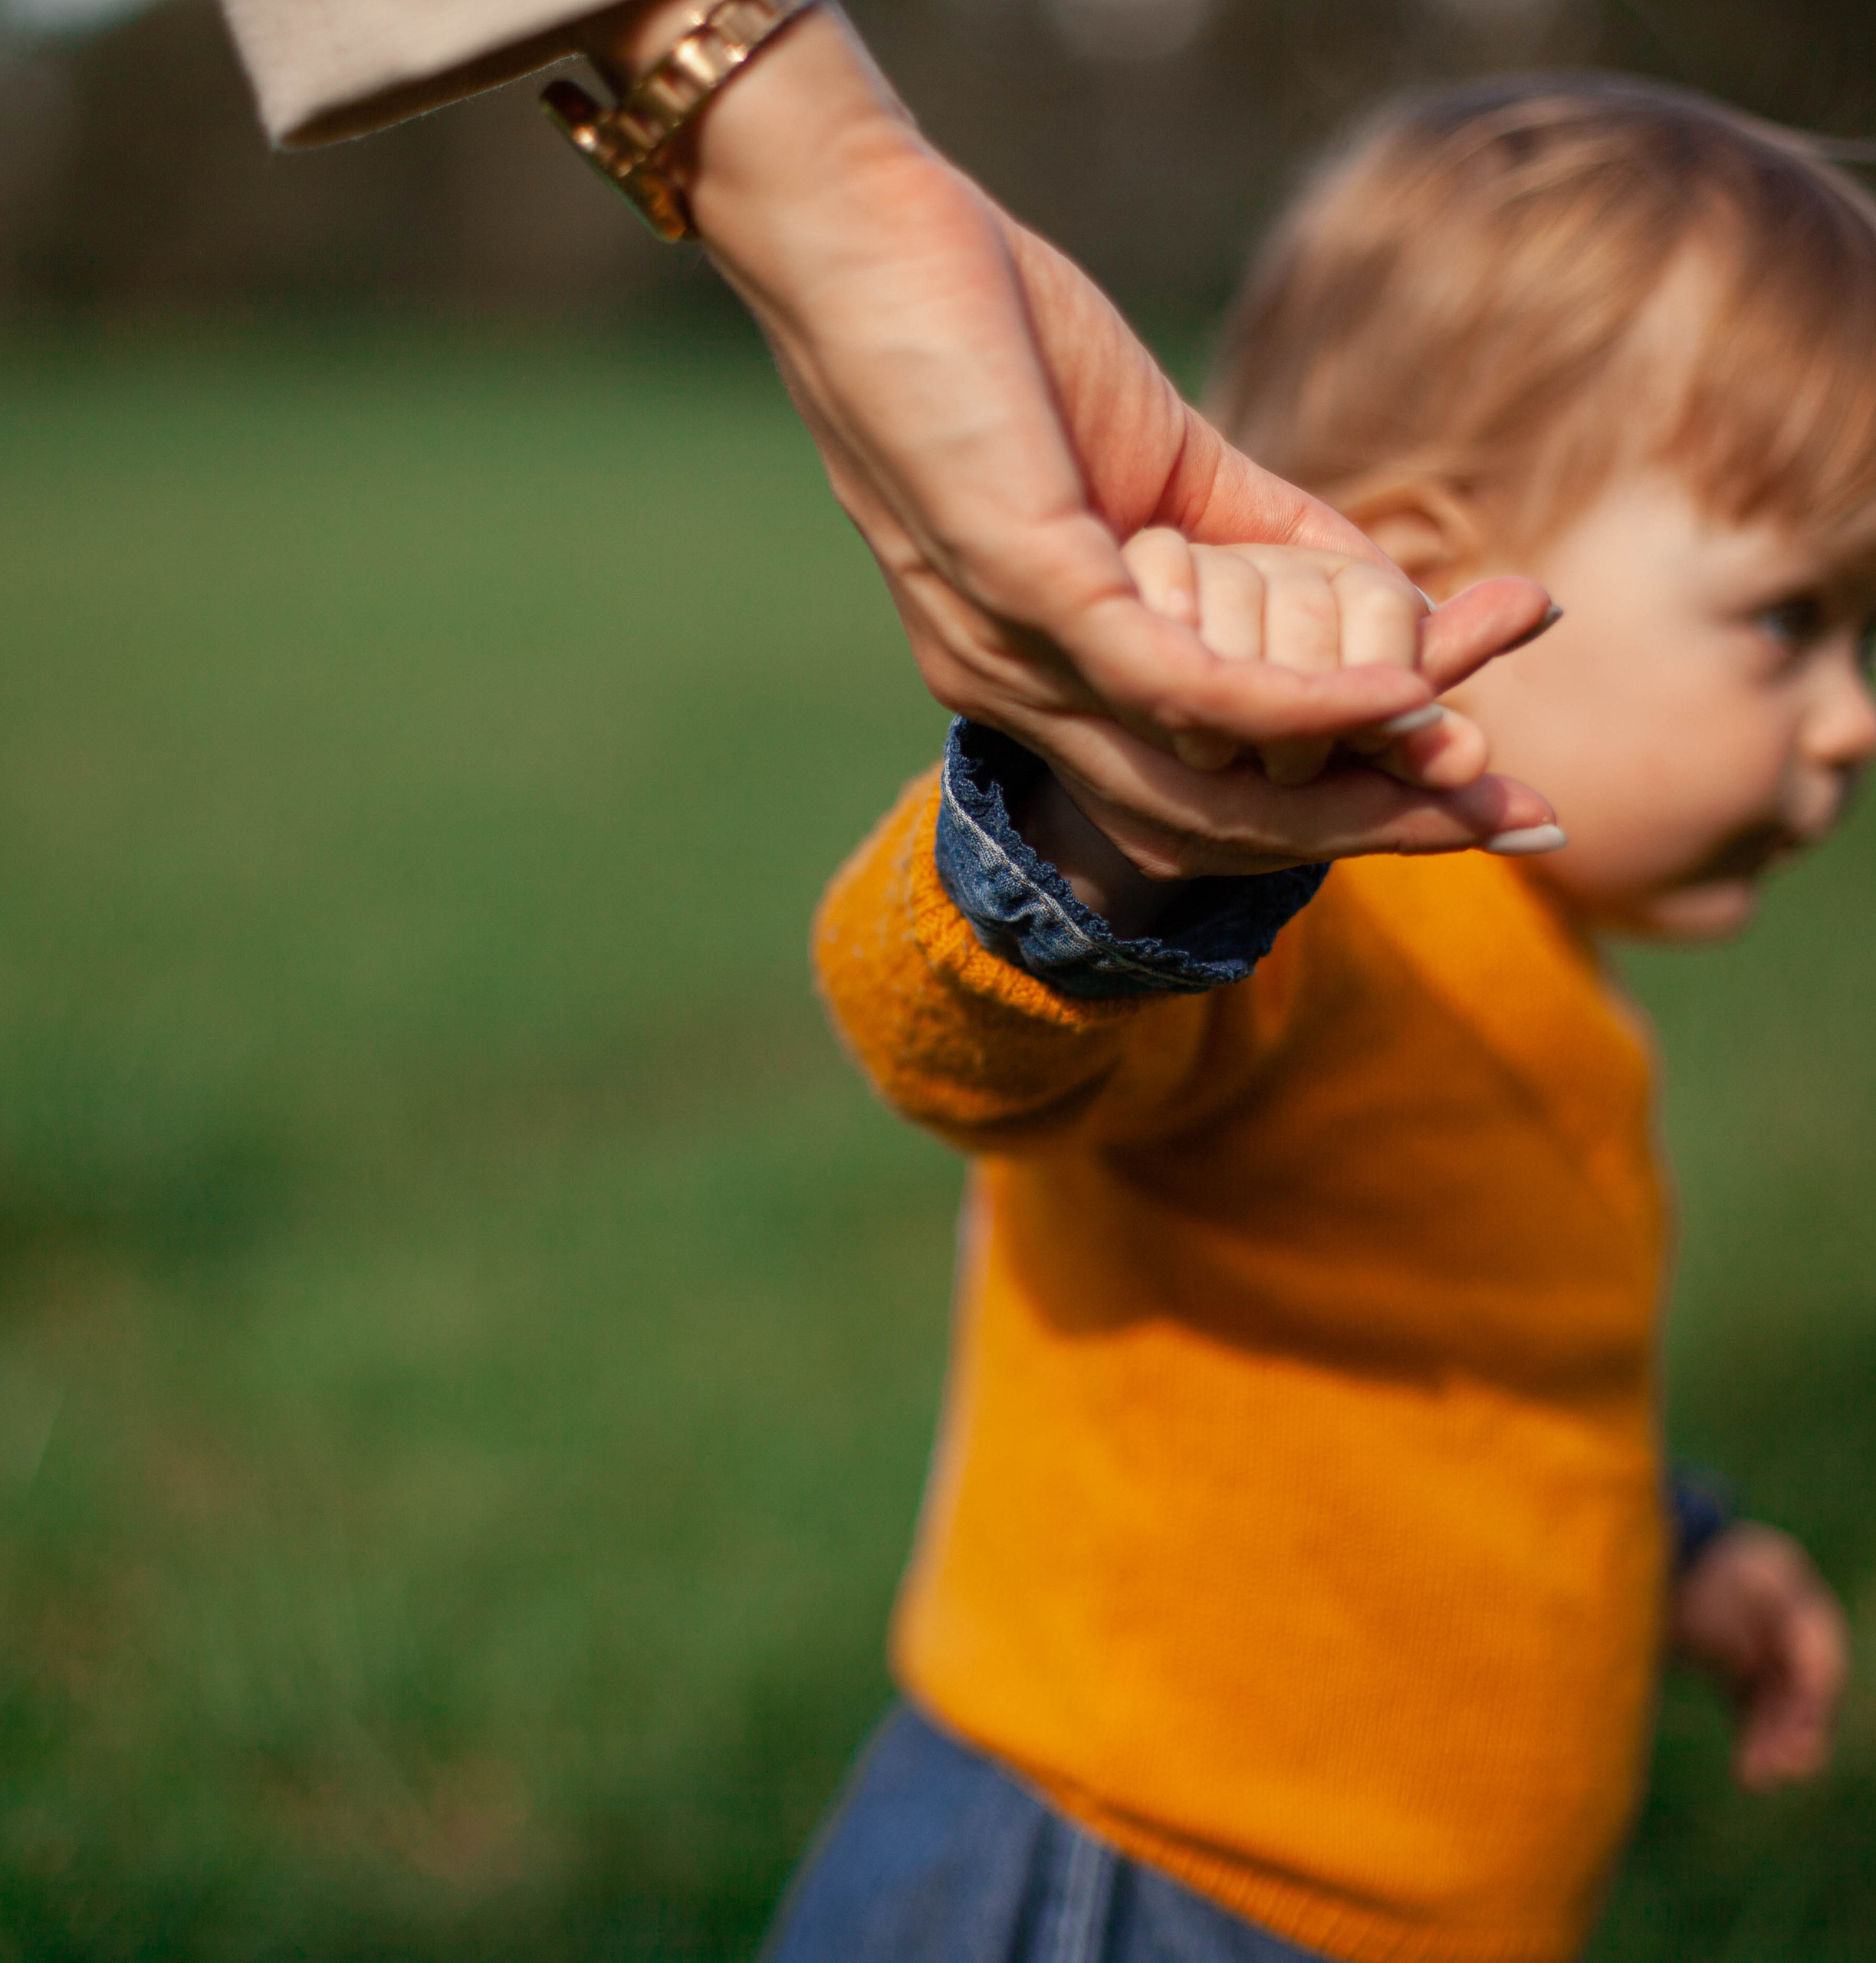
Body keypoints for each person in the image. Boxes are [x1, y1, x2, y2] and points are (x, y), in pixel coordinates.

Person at [787, 74, 1865, 1963]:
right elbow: (940, 1034)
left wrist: (1677, 1546)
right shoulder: (1300, 920)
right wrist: (1120, 823)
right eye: (1786, 622)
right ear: (1427, 578)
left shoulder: (1532, 969)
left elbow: (1454, 1361)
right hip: (1123, 1879)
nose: (1851, 717)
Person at [213, 0, 1559, 881]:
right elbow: (952, 1022)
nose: (1788, 736)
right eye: (1773, 621)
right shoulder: (1356, 921)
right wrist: (1096, 844)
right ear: (1439, 544)